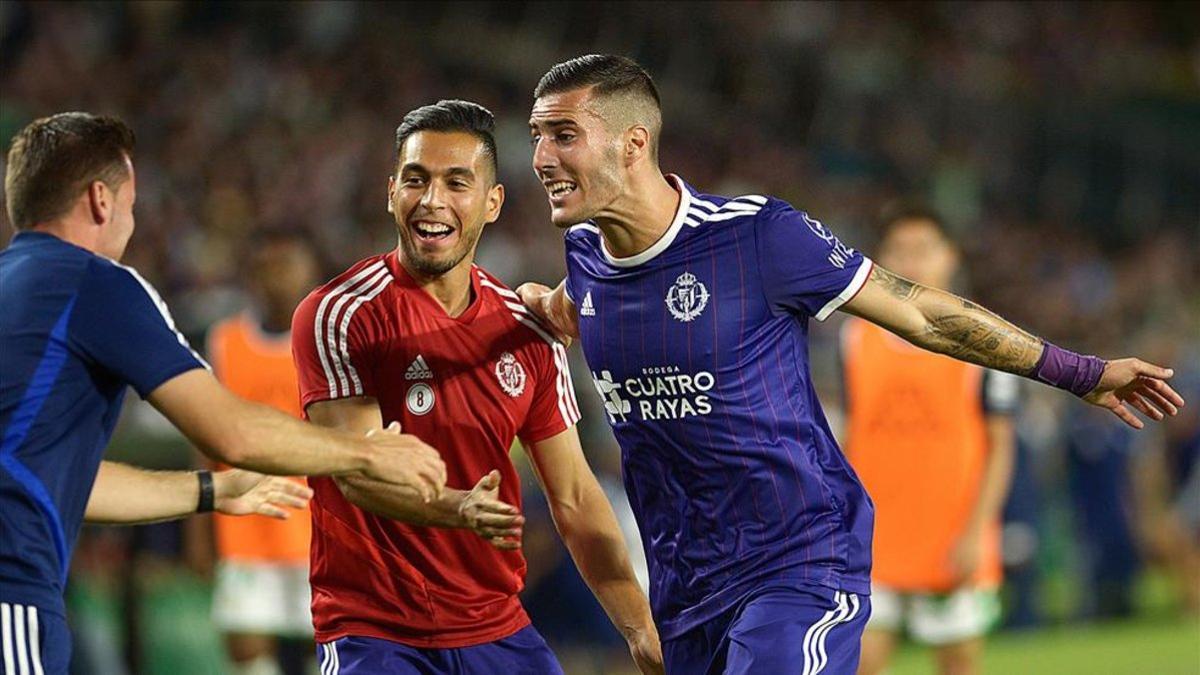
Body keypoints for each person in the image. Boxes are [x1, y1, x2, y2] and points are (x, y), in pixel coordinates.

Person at [517, 54, 1185, 675]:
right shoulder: (586, 259)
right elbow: (573, 303)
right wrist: (535, 307)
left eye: (564, 134)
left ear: (635, 143)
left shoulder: (756, 235)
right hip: (684, 588)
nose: (541, 156)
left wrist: (1081, 372)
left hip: (797, 563)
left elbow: (922, 312)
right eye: (537, 135)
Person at [0, 112, 447, 674]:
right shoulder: (96, 283)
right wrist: (367, 452)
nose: (133, 222)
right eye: (133, 205)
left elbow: (69, 483)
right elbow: (229, 431)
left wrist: (210, 491)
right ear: (99, 200)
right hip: (11, 590)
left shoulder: (12, 286)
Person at [290, 100, 661, 674]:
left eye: (456, 183)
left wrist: (641, 629)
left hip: (497, 626)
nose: (432, 200)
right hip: (374, 631)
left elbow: (575, 497)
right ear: (392, 193)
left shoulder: (530, 331)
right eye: (416, 180)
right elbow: (357, 472)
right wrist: (457, 508)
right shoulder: (340, 314)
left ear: (492, 203)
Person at [841, 204, 1018, 675]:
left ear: (950, 256)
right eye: (899, 249)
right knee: (858, 661)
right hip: (874, 539)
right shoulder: (854, 339)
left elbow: (1001, 446)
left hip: (951, 536)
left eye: (923, 249)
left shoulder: (986, 342)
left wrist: (977, 532)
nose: (911, 261)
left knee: (957, 665)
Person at [204, 230, 323, 675]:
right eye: (268, 266)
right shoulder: (225, 341)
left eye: (288, 264)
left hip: (315, 530)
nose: (278, 277)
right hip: (245, 531)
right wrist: (202, 533)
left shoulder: (325, 342)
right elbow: (206, 437)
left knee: (326, 653)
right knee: (249, 660)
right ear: (252, 274)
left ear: (311, 271)